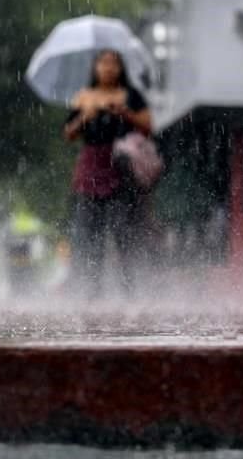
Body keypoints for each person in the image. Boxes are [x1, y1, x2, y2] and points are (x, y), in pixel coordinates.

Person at [63, 49, 152, 298]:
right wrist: (85, 117)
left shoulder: (130, 95)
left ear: (121, 68)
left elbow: (147, 126)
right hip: (90, 165)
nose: (109, 68)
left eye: (114, 63)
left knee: (123, 231)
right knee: (90, 233)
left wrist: (125, 113)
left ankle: (129, 289)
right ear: (95, 68)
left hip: (121, 165)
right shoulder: (84, 96)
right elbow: (68, 133)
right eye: (103, 63)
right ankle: (93, 290)